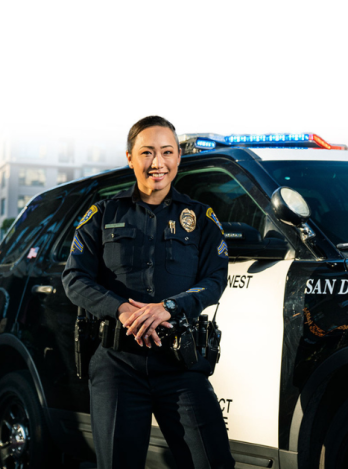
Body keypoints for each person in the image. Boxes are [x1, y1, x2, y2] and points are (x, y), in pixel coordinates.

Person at [63, 116, 235, 469]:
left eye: (167, 152)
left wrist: (169, 307)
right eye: (147, 152)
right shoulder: (102, 214)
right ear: (130, 158)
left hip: (180, 364)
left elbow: (215, 278)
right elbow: (75, 279)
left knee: (214, 462)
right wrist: (121, 309)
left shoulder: (201, 217)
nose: (158, 163)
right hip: (117, 363)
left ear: (178, 159)